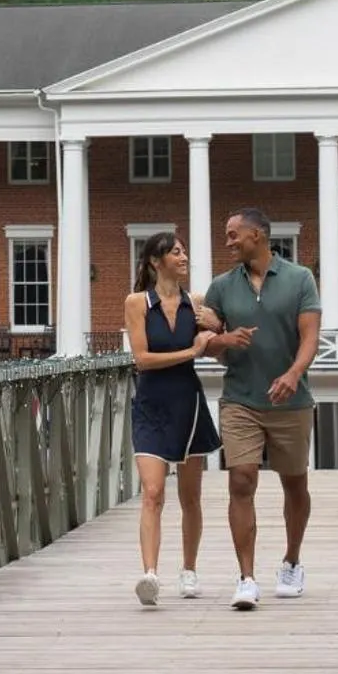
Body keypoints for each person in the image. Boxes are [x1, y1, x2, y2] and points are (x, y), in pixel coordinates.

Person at [200, 205, 320, 611]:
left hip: (291, 401)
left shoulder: (300, 279)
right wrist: (224, 340)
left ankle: (291, 561)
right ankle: (246, 578)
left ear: (259, 236)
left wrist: (293, 373)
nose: (228, 241)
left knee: (295, 485)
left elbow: (310, 338)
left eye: (234, 234)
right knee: (241, 480)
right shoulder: (220, 287)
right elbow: (206, 343)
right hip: (240, 399)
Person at [122, 231, 229, 607]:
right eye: (176, 252)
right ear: (156, 261)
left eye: (184, 251)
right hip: (151, 403)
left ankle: (189, 569)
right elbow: (142, 360)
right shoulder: (137, 303)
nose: (184, 257)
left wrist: (216, 326)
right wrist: (192, 350)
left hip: (188, 402)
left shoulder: (196, 302)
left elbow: (219, 339)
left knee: (190, 496)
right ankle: (150, 575)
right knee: (152, 492)